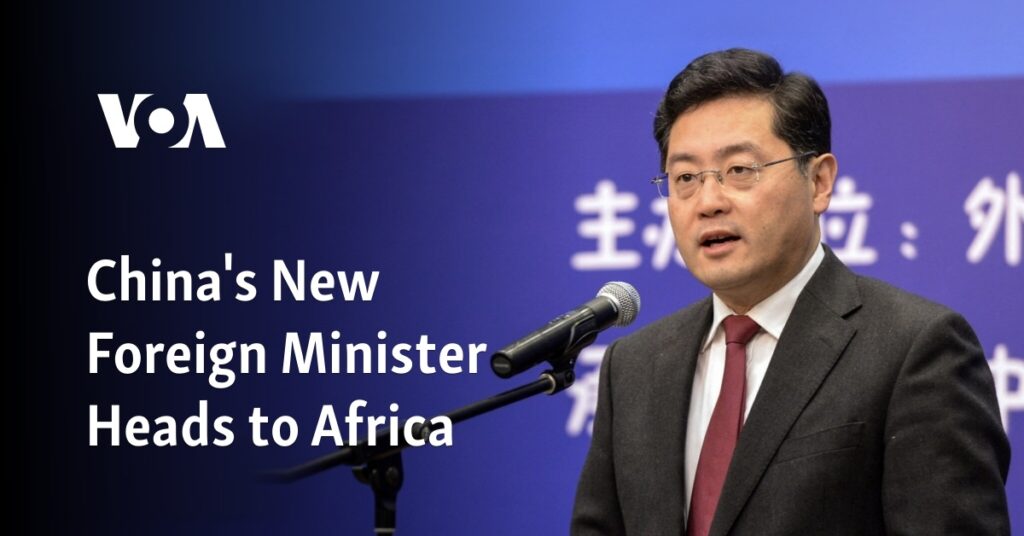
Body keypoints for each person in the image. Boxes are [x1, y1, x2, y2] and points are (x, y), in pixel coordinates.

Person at [570, 48, 1010, 536]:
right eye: (686, 178)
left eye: (740, 170)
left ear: (819, 182)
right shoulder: (633, 367)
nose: (708, 201)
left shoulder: (914, 350)